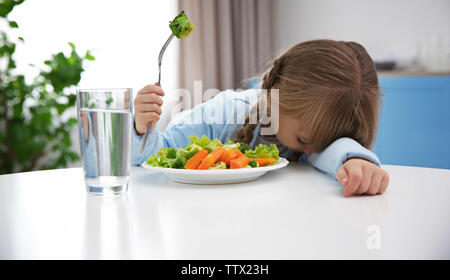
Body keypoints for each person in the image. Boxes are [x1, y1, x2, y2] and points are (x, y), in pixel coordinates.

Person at [131, 39, 389, 197]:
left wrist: (352, 158)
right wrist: (140, 128)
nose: (311, 151)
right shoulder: (226, 112)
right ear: (278, 99)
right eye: (303, 139)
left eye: (322, 145)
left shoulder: (313, 141)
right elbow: (155, 155)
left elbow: (326, 153)